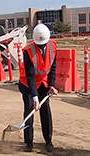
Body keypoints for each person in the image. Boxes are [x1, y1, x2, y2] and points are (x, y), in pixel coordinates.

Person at [18, 23, 58, 152]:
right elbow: (30, 76)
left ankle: (48, 140)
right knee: (30, 109)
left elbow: (53, 67)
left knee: (45, 110)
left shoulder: (52, 46)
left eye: (43, 44)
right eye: (39, 45)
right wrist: (35, 98)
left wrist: (51, 85)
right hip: (28, 84)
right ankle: (28, 143)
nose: (42, 46)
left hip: (44, 83)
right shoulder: (28, 51)